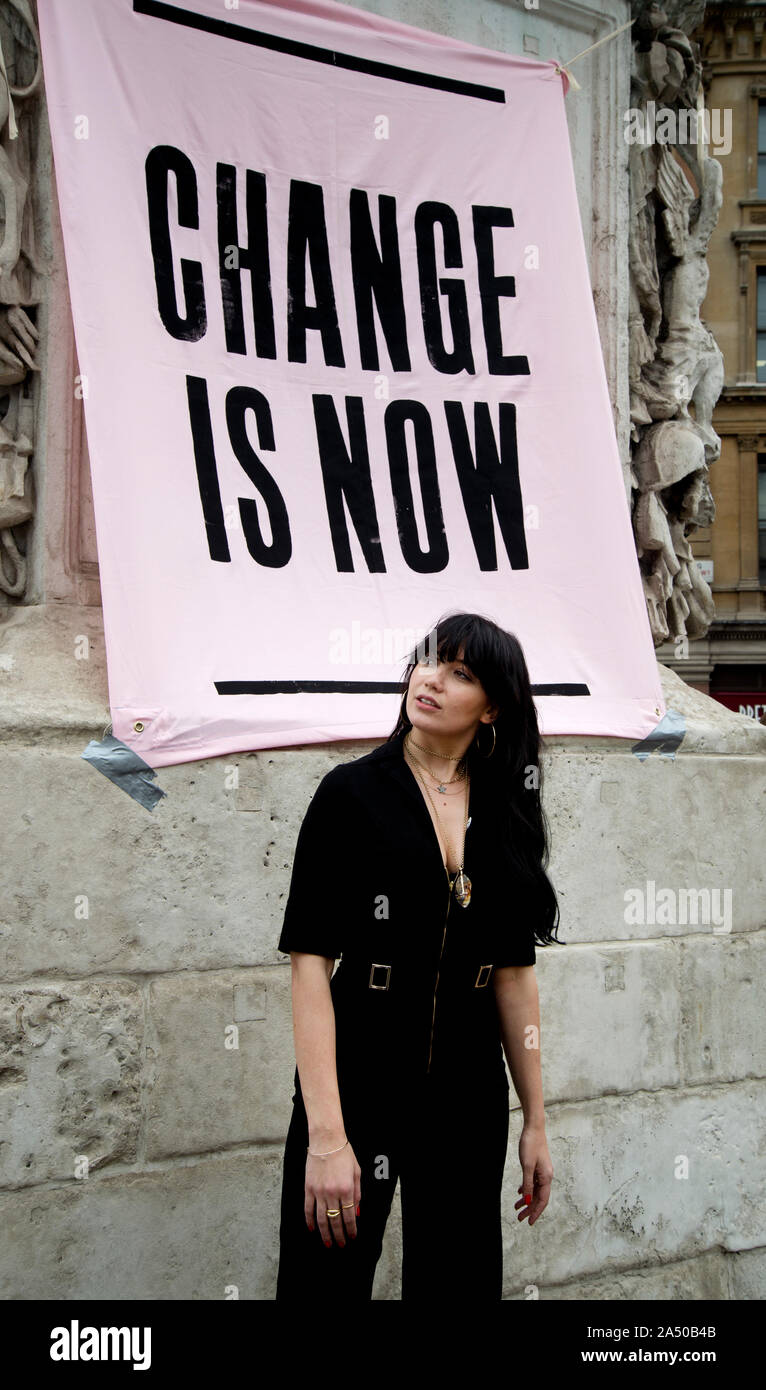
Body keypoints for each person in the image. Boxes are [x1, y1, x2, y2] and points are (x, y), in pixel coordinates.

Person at [274, 610, 561, 1301]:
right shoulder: (351, 792)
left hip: (468, 1094)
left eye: (460, 673)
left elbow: (515, 977)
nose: (430, 679)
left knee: (457, 1287)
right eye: (428, 661)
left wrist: (537, 1122)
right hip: (359, 1081)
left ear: (491, 707)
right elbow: (310, 964)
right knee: (324, 1287)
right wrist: (327, 1137)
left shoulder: (504, 809)